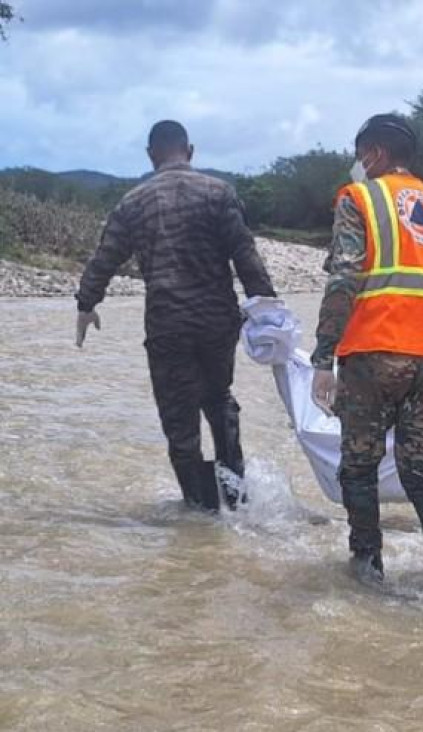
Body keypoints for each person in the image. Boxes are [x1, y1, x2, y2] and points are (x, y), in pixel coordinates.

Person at [310, 113, 423, 599]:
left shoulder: (359, 198)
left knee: (359, 466)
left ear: (376, 154)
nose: (358, 165)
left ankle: (367, 570)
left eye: (360, 156)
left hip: (374, 351)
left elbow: (344, 277)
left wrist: (323, 358)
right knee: (422, 475)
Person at [75, 120, 277, 512]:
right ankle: (236, 503)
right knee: (219, 400)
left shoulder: (132, 203)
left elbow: (105, 258)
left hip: (167, 326)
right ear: (191, 150)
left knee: (180, 423)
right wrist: (269, 310)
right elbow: (245, 255)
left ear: (150, 155)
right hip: (217, 322)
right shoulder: (219, 192)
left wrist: (86, 304)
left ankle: (200, 514)